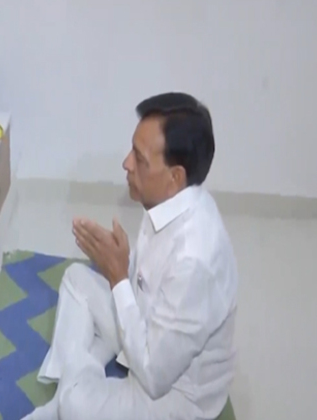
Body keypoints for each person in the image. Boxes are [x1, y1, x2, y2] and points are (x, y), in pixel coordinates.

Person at [22, 92, 238, 420]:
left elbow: (153, 377)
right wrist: (122, 265)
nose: (126, 163)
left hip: (173, 394)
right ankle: (77, 381)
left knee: (77, 405)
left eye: (139, 158)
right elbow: (143, 285)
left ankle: (68, 396)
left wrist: (118, 276)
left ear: (174, 177)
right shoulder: (169, 203)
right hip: (147, 331)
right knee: (76, 280)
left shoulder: (195, 260)